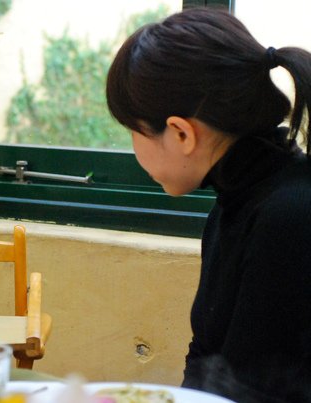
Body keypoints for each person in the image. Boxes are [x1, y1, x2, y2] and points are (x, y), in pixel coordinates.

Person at [106, 7, 311, 403]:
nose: (133, 148)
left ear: (181, 133)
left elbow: (258, 392)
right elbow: (207, 360)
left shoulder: (290, 215)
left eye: (134, 130)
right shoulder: (234, 203)